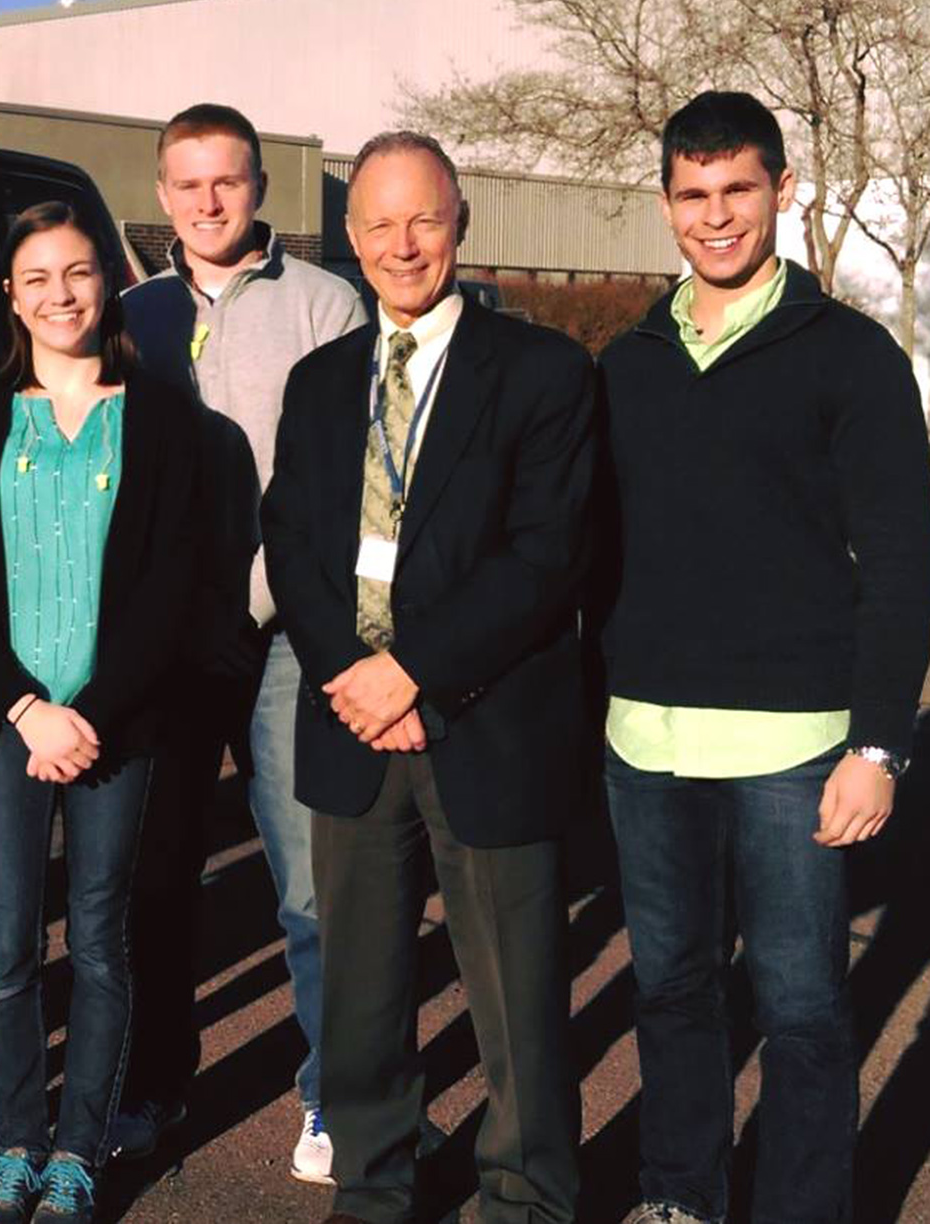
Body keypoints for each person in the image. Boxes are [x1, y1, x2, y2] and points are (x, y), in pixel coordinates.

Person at [596, 91, 930, 1224]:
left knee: (801, 1009)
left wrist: (878, 741)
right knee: (675, 990)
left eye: (739, 188)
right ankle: (679, 1194)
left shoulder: (851, 355)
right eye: (693, 195)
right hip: (646, 740)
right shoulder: (628, 361)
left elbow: (902, 562)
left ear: (782, 189)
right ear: (665, 204)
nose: (717, 215)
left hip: (796, 747)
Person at [260, 131, 593, 1224]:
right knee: (360, 990)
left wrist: (412, 674)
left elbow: (546, 558)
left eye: (426, 219)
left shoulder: (541, 370)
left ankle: (528, 1193)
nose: (405, 245)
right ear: (350, 239)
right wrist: (353, 675)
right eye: (381, 224)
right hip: (350, 726)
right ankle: (375, 1181)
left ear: (460, 223)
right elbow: (293, 543)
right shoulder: (318, 383)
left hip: (484, 721)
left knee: (516, 994)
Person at [0, 202, 200, 1224]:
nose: (60, 293)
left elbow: (172, 586)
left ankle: (80, 1148)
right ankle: (16, 1144)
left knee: (98, 937)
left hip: (115, 723)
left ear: (106, 283)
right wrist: (26, 707)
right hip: (6, 723)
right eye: (37, 276)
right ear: (9, 292)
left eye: (79, 272)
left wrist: (88, 711)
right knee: (5, 942)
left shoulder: (165, 419)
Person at [116, 102, 366, 1178]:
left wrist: (286, 610)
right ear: (163, 192)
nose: (209, 201)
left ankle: (333, 1094)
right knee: (153, 879)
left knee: (308, 881)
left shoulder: (326, 303)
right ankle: (156, 1083)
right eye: (188, 182)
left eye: (228, 180)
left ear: (259, 187)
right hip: (166, 650)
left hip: (282, 641)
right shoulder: (128, 314)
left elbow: (342, 483)